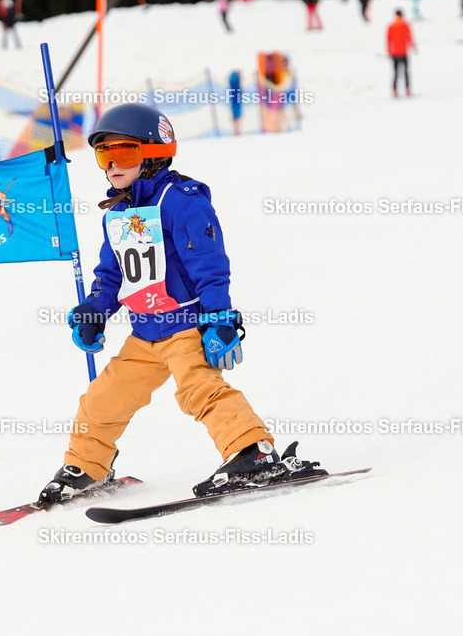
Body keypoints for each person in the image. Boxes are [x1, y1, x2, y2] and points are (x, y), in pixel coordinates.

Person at [37, 103, 325, 505]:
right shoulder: (118, 213)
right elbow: (111, 273)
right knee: (102, 399)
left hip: (186, 325)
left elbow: (209, 265)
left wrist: (219, 318)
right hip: (145, 332)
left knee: (201, 389)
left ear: (155, 153)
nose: (112, 165)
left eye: (124, 153)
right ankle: (87, 466)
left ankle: (252, 452)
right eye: (105, 155)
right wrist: (94, 310)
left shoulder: (181, 200)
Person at [387, 9, 416, 97]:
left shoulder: (391, 26)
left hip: (394, 53)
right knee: (406, 72)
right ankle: (407, 89)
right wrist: (413, 46)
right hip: (403, 52)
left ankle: (395, 90)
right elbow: (410, 37)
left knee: (395, 72)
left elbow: (388, 40)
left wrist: (389, 51)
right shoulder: (405, 25)